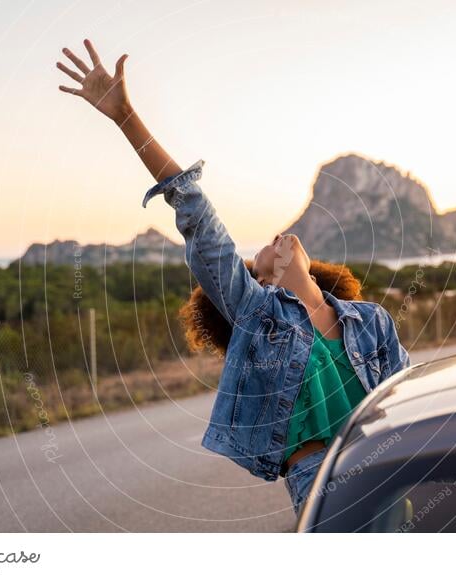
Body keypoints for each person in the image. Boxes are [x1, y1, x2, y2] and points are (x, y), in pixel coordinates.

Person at [57, 39, 411, 520]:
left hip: (389, 467)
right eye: (259, 260)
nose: (272, 243)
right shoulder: (258, 316)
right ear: (261, 282)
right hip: (320, 482)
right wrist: (125, 117)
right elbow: (196, 214)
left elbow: (411, 404)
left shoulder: (371, 321)